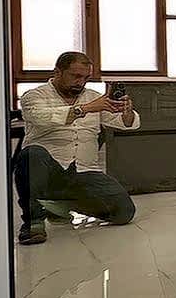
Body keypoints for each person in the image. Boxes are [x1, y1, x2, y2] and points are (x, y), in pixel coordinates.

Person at [14, 50, 141, 245]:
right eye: (75, 76)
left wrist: (127, 112)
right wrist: (85, 108)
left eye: (85, 78)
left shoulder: (93, 97)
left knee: (124, 212)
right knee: (31, 154)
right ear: (57, 72)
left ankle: (59, 205)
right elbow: (41, 118)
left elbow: (124, 123)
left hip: (84, 172)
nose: (81, 82)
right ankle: (33, 222)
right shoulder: (34, 96)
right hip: (50, 171)